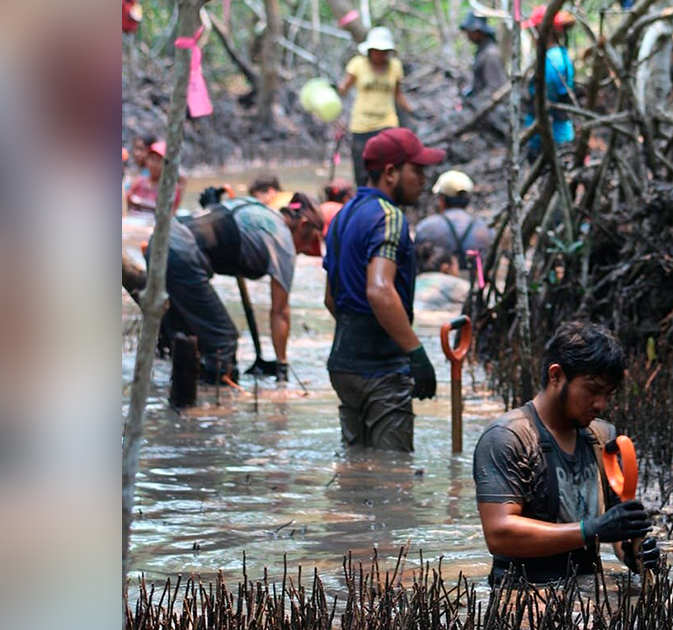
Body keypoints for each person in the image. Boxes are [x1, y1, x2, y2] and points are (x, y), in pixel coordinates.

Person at [472, 322, 661, 584]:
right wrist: (591, 530)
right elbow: (499, 533)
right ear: (556, 376)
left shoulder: (602, 438)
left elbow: (615, 528)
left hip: (588, 585)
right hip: (523, 590)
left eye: (608, 394)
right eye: (593, 390)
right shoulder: (507, 437)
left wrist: (632, 553)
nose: (601, 404)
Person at [323, 128, 445, 452]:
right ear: (391, 172)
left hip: (342, 365)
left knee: (357, 468)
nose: (423, 180)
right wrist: (416, 353)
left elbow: (330, 298)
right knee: (392, 477)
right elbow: (379, 290)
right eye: (416, 170)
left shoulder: (341, 217)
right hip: (381, 370)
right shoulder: (390, 217)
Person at [147, 189, 324, 382]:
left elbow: (219, 225)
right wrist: (282, 366)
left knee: (183, 336)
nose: (305, 250)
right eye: (309, 243)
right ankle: (217, 405)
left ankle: (174, 397)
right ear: (303, 225)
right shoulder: (283, 242)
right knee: (223, 341)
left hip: (160, 238)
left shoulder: (255, 206)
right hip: (181, 254)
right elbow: (280, 311)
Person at [336, 27, 416, 187]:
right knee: (362, 168)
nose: (381, 55)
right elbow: (344, 88)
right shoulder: (358, 65)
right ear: (370, 50)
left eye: (384, 51)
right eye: (377, 50)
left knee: (387, 166)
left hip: (387, 122)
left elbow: (398, 93)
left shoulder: (395, 66)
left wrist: (412, 111)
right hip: (362, 124)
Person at [522, 7, 577, 163]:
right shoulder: (557, 55)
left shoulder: (553, 60)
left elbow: (548, 97)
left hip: (551, 136)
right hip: (553, 134)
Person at [413, 170, 493, 274]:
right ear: (467, 200)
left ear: (442, 200)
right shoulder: (485, 229)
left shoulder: (425, 227)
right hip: (476, 287)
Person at [125, 140, 185, 212]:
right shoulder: (139, 182)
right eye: (152, 159)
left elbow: (171, 213)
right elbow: (125, 204)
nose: (154, 165)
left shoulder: (170, 189)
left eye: (159, 160)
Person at [459, 13, 507, 101]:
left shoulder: (490, 54)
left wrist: (475, 101)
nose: (468, 35)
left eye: (470, 31)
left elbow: (496, 88)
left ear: (478, 31)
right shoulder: (482, 52)